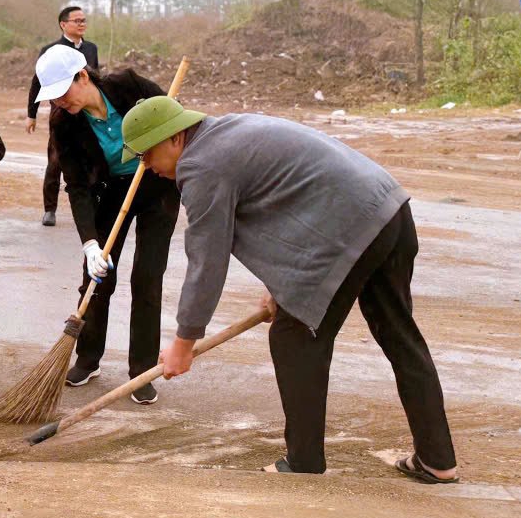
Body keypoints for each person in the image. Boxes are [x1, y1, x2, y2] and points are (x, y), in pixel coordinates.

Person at [123, 96, 458, 483]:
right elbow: (285, 204)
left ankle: (303, 462)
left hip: (348, 226)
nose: (147, 168)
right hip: (388, 210)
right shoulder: (229, 130)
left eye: (147, 156)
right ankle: (438, 460)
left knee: (294, 337)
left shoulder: (201, 165)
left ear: (174, 138)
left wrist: (184, 342)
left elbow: (207, 260)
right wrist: (280, 286)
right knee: (398, 333)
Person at [32, 46, 178, 399]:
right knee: (96, 278)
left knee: (147, 278)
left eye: (62, 93)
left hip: (159, 186)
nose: (59, 102)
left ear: (83, 76)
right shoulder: (63, 122)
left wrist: (159, 144)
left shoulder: (129, 86)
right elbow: (78, 186)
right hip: (110, 193)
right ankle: (88, 358)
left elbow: (174, 121)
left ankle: (141, 372)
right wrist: (90, 244)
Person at [26, 6, 99, 227]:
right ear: (63, 24)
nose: (81, 24)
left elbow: (96, 77)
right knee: (56, 158)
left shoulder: (91, 48)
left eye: (83, 20)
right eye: (76, 20)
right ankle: (50, 209)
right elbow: (37, 82)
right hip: (61, 110)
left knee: (92, 156)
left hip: (87, 109)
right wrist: (32, 114)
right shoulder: (51, 50)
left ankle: (95, 204)